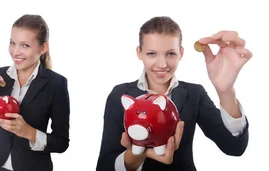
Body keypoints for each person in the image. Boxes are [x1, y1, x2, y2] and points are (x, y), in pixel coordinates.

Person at [96, 16, 252, 171]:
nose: (162, 64)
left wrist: (225, 91)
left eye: (171, 54)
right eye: (151, 54)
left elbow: (234, 147)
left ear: (181, 53)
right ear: (139, 52)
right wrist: (138, 152)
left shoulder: (194, 94)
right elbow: (104, 166)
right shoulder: (120, 94)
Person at [0, 14, 70, 171]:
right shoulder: (1, 76)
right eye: (12, 43)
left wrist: (29, 133)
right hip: (0, 165)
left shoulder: (56, 84)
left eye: (25, 45)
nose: (15, 52)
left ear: (43, 48)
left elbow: (61, 143)